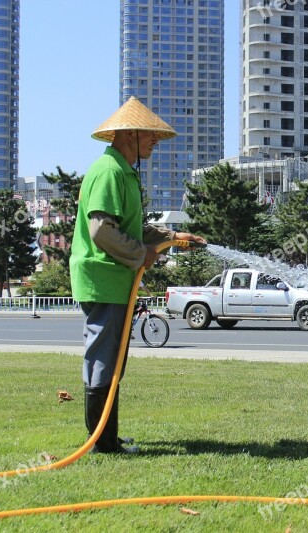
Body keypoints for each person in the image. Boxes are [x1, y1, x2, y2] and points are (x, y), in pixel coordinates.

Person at [70, 96, 206, 454]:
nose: (155, 141)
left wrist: (174, 239)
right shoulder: (109, 171)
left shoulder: (124, 172)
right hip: (103, 279)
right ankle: (101, 442)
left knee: (113, 359)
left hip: (115, 280)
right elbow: (102, 232)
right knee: (104, 356)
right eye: (150, 134)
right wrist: (140, 254)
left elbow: (131, 228)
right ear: (129, 133)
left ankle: (107, 435)